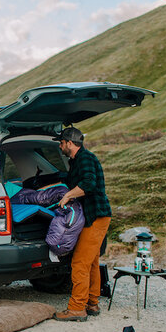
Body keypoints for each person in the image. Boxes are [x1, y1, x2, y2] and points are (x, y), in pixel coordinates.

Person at [52, 127, 111, 322]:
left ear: (69, 142)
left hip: (96, 216)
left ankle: (77, 308)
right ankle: (92, 303)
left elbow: (89, 183)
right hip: (94, 217)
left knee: (79, 263)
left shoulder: (85, 158)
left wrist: (68, 195)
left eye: (61, 143)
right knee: (92, 262)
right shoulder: (76, 161)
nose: (60, 146)